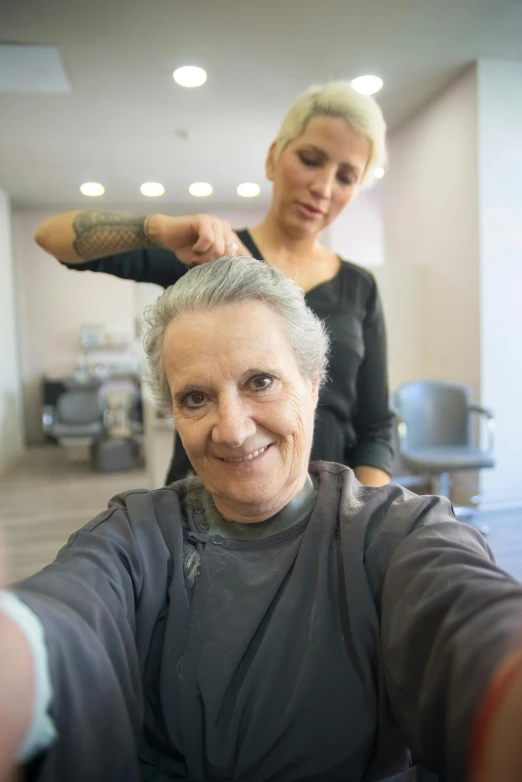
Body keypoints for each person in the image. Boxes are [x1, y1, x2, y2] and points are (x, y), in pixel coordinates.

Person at [2, 256, 522, 782]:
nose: (231, 429)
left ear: (314, 384)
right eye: (196, 397)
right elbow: (67, 615)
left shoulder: (397, 534)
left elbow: (467, 618)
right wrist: (18, 660)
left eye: (260, 381)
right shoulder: (135, 537)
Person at [34, 82, 393, 488]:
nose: (324, 188)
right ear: (274, 158)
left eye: (346, 177)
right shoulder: (206, 256)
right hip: (202, 513)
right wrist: (160, 228)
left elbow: (375, 424)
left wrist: (365, 519)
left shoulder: (359, 288)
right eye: (311, 160)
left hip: (325, 514)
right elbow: (53, 236)